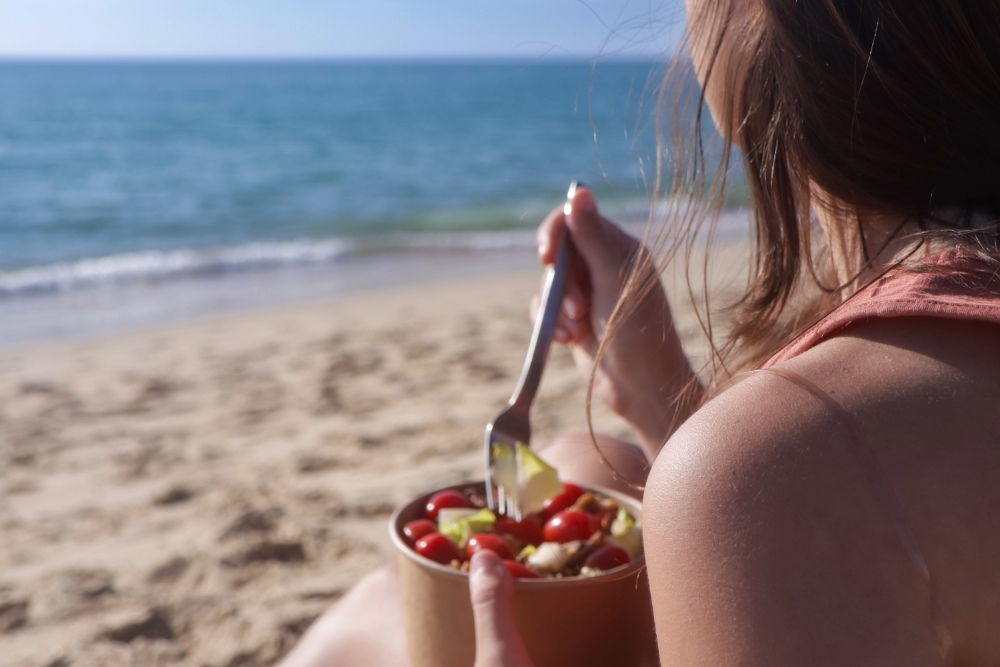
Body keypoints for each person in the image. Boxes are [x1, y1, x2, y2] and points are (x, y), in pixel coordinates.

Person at [280, 0, 1000, 664]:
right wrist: (661, 393)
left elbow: (798, 495)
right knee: (585, 463)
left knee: (373, 624)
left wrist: (727, 456)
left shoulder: (795, 469)